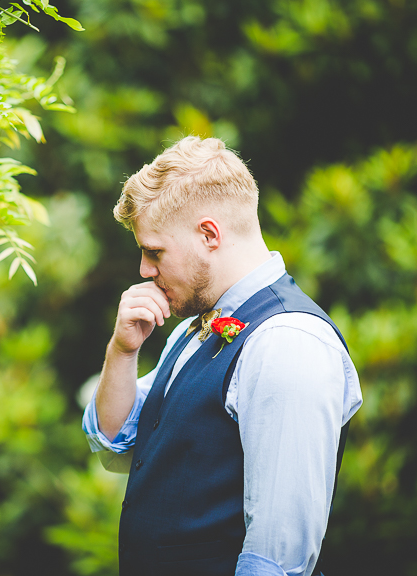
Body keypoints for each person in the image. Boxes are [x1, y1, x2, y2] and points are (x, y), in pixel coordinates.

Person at [82, 136, 363, 576]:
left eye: (154, 251)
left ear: (209, 234)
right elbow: (115, 445)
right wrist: (122, 351)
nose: (144, 270)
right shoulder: (193, 330)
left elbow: (279, 556)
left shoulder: (287, 342)